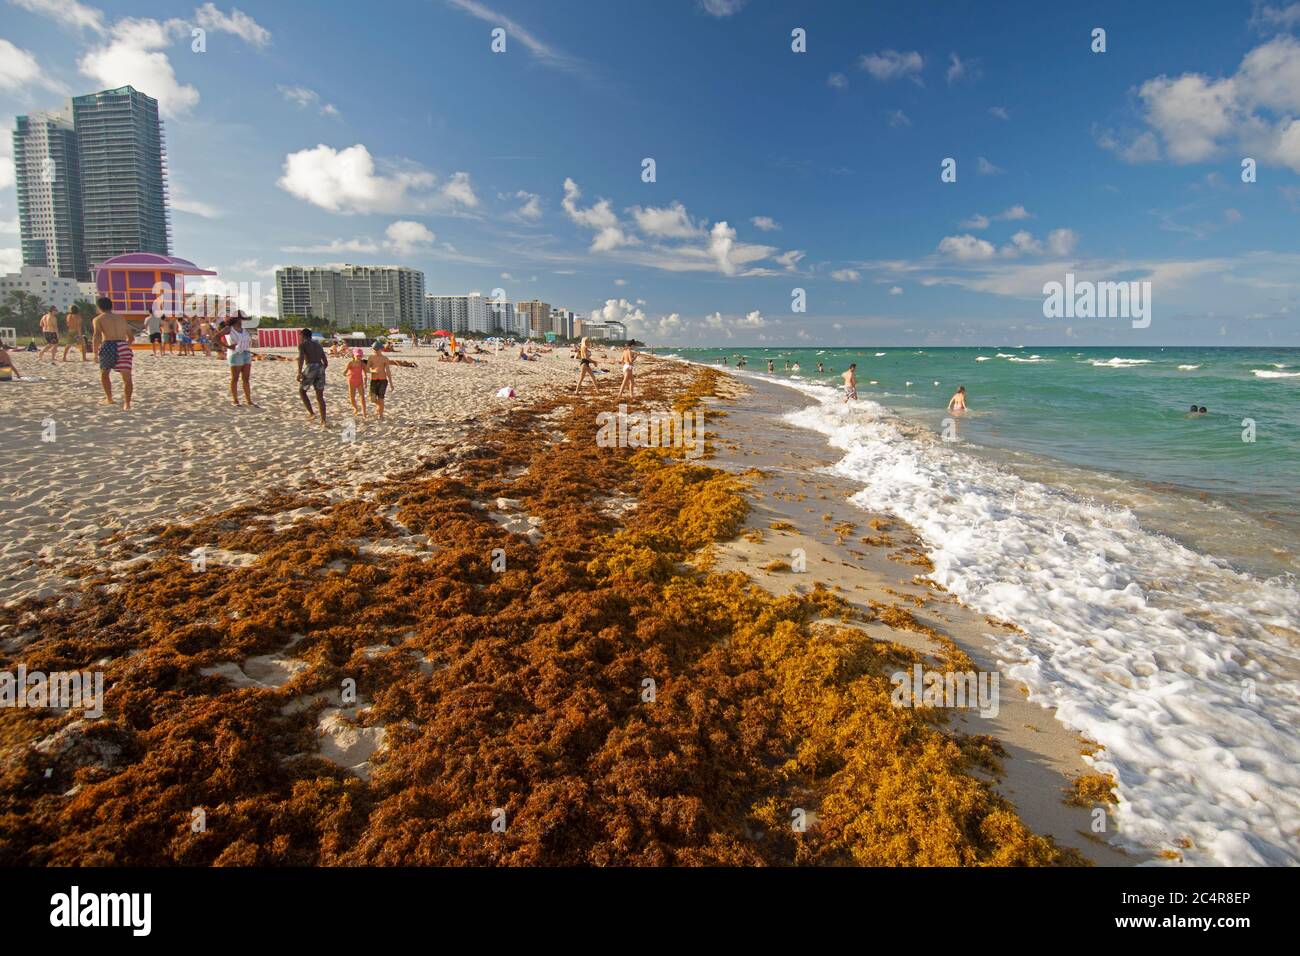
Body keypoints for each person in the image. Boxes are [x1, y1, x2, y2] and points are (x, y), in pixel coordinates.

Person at [91, 296, 135, 408]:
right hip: (123, 345)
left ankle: (109, 399)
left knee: (104, 373)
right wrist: (124, 346)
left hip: (108, 345)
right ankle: (127, 404)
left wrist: (95, 353)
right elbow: (131, 337)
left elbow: (96, 336)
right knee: (127, 378)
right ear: (111, 306)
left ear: (99, 307)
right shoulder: (121, 318)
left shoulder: (98, 319)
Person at [216, 312, 255, 406]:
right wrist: (228, 347)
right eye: (242, 319)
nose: (244, 321)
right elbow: (216, 338)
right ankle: (235, 400)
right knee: (235, 378)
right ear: (237, 319)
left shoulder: (244, 330)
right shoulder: (229, 329)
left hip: (246, 353)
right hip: (235, 354)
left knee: (246, 378)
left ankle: (249, 400)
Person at [296, 327, 329, 426]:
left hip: (310, 367)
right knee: (320, 396)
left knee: (302, 391)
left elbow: (301, 359)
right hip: (320, 367)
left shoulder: (302, 345)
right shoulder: (318, 345)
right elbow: (326, 362)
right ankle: (323, 420)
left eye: (300, 336)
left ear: (303, 336)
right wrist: (321, 370)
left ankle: (311, 413)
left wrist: (299, 372)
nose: (300, 338)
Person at [366, 341, 394, 420]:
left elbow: (388, 371)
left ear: (381, 349)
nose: (375, 350)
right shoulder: (371, 357)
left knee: (381, 398)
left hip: (383, 380)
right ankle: (380, 407)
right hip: (374, 380)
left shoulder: (385, 359)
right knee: (372, 399)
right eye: (374, 349)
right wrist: (373, 371)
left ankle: (380, 414)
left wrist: (391, 383)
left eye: (376, 349)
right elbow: (367, 369)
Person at [344, 348, 368, 416]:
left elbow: (365, 373)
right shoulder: (350, 363)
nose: (359, 357)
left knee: (362, 397)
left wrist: (365, 382)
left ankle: (364, 412)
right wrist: (346, 374)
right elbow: (345, 371)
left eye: (360, 356)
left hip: (359, 381)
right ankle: (355, 408)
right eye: (357, 356)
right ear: (354, 355)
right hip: (351, 381)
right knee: (352, 397)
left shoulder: (362, 363)